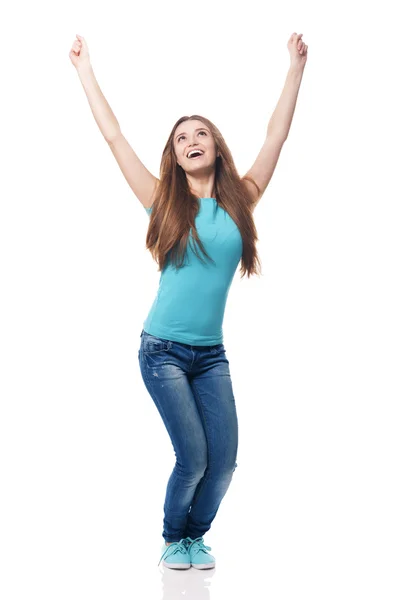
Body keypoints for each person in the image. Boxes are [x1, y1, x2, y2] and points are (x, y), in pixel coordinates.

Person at [69, 32, 308, 570]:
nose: (192, 139)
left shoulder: (242, 200)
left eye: (202, 133)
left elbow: (276, 138)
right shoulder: (162, 201)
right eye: (182, 138)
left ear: (217, 147)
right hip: (163, 351)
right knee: (193, 457)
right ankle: (173, 538)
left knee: (223, 463)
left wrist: (294, 69)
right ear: (174, 157)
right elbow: (114, 138)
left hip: (211, 356)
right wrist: (85, 70)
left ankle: (196, 536)